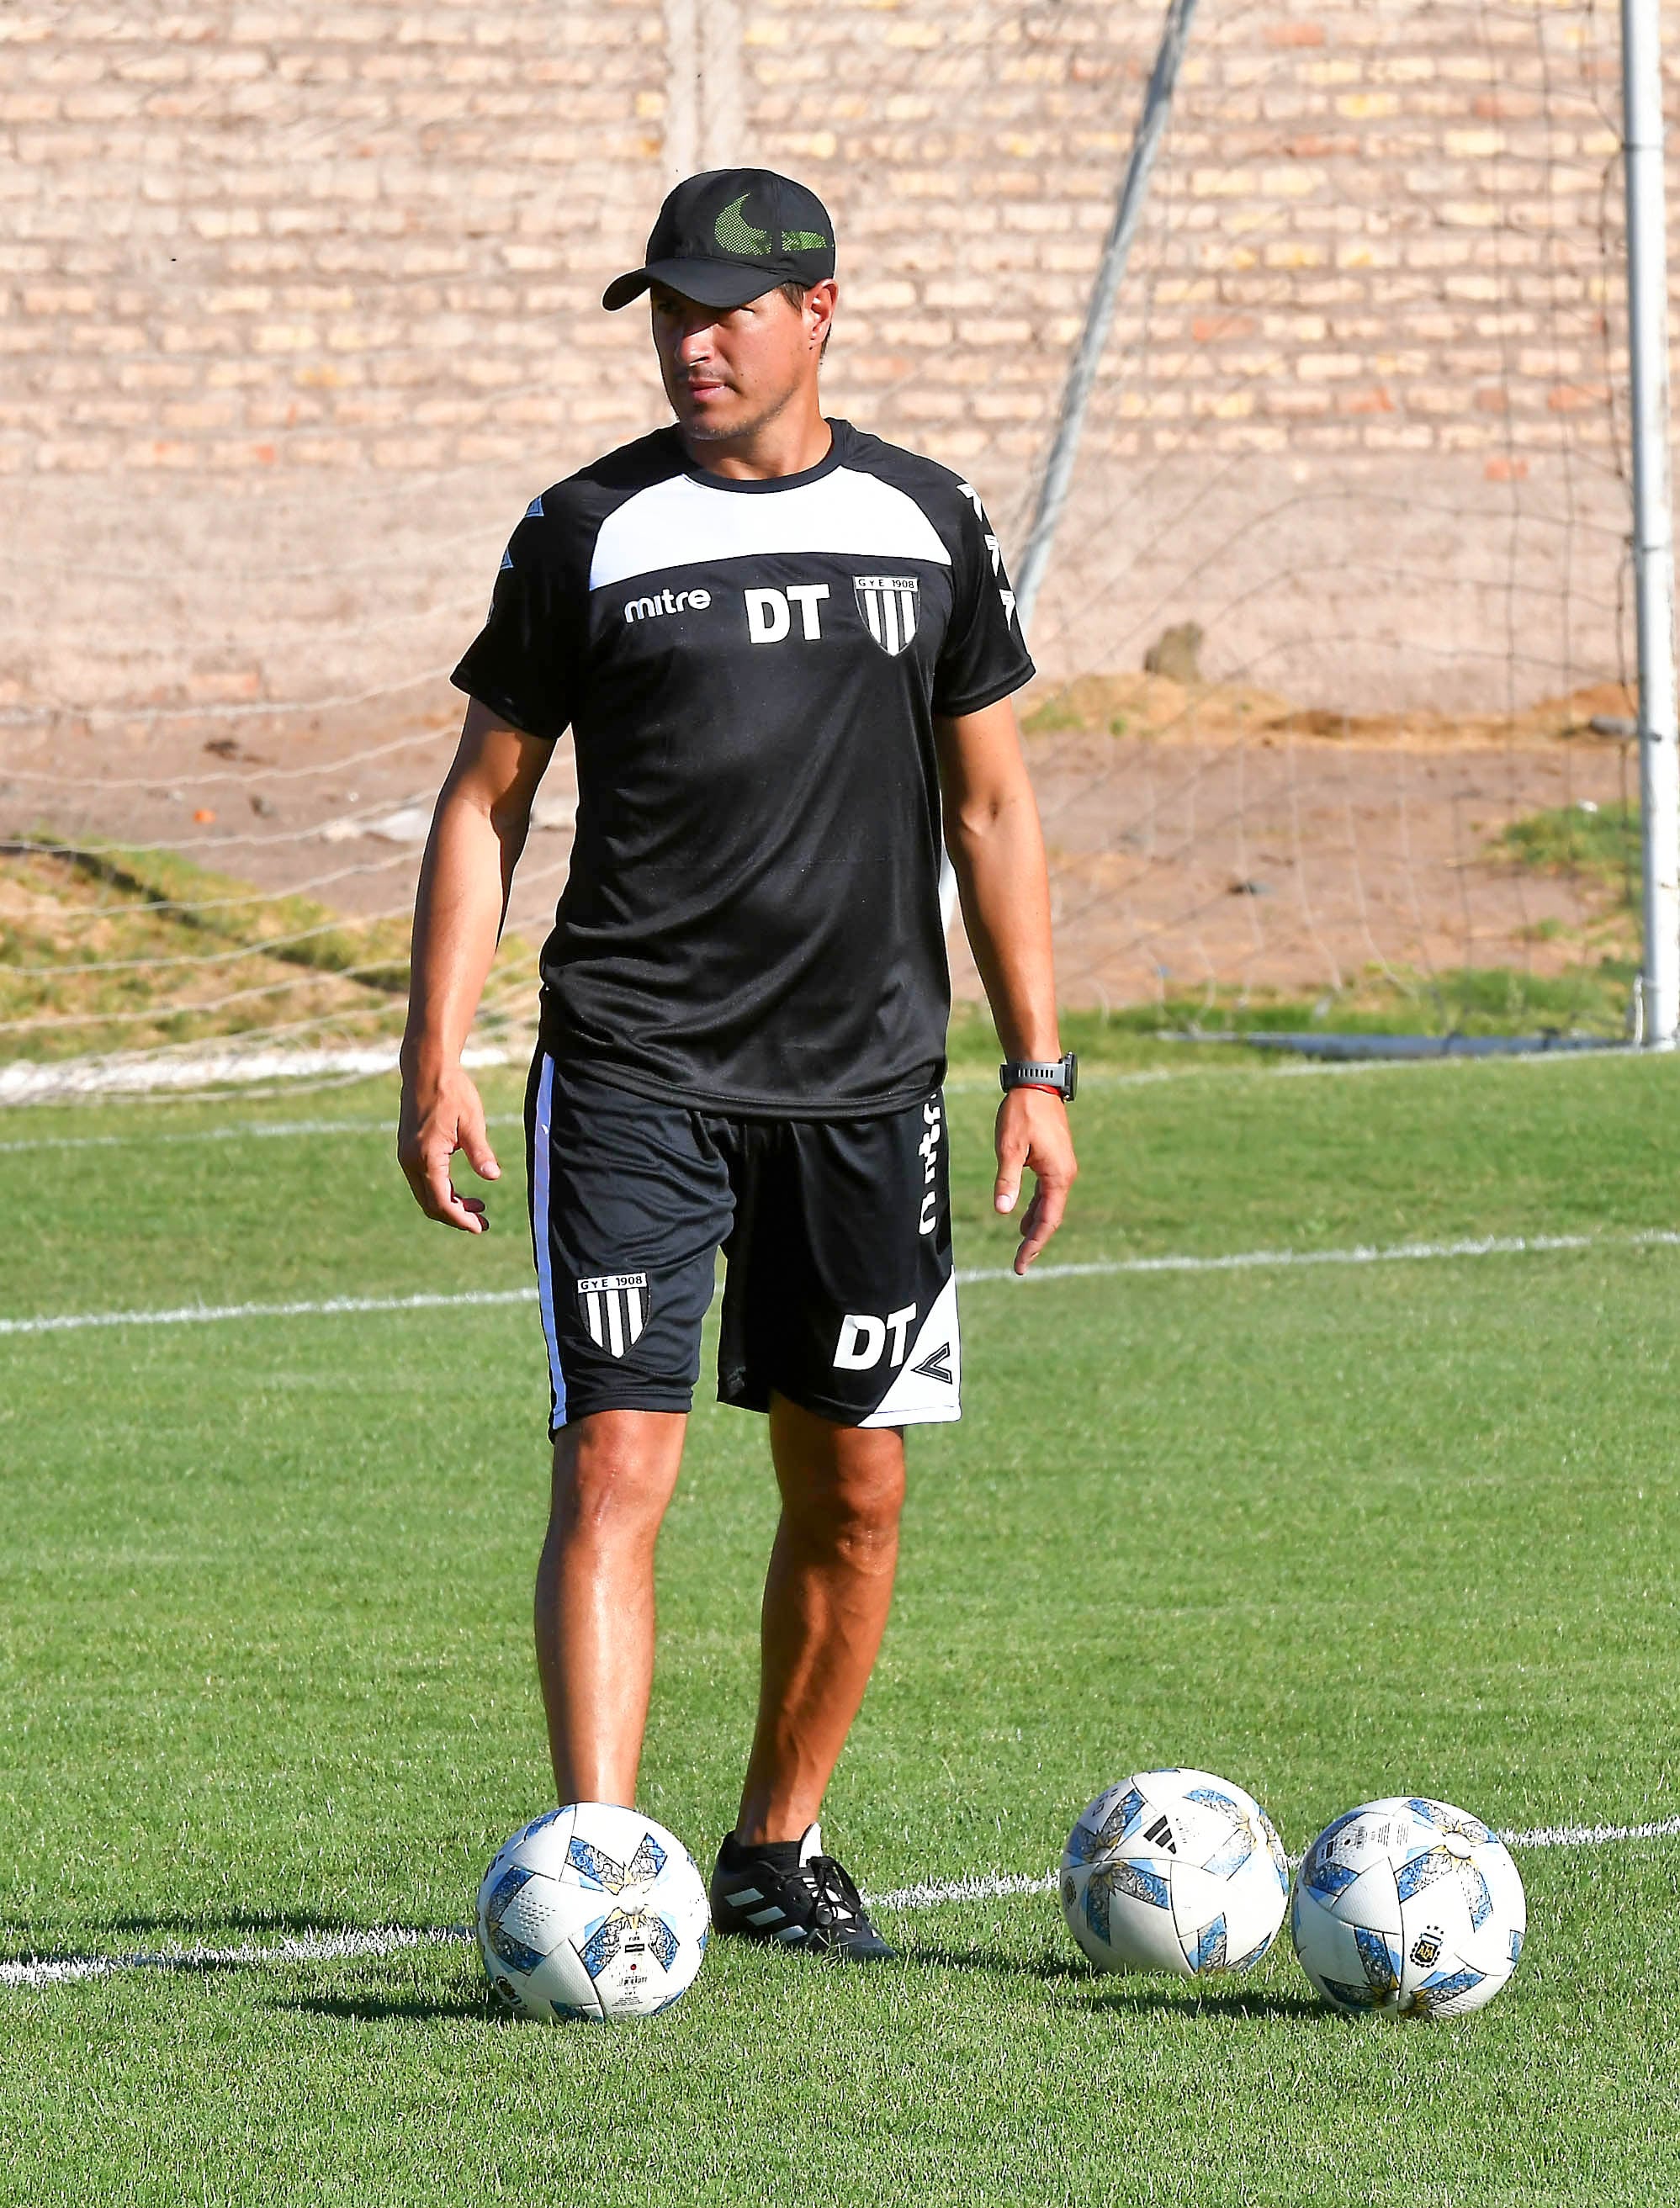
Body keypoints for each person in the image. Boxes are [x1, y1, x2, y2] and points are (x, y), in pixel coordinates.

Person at [398, 168, 1077, 1961]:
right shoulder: (585, 531)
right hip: (633, 1067)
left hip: (866, 1088)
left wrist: (1039, 1062)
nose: (691, 343)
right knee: (617, 1464)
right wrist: (434, 1048)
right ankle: (606, 1873)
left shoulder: (930, 522)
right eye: (670, 312)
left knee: (854, 1489)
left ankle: (777, 1844)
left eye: (726, 310)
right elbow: (484, 805)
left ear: (817, 313)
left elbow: (993, 802)